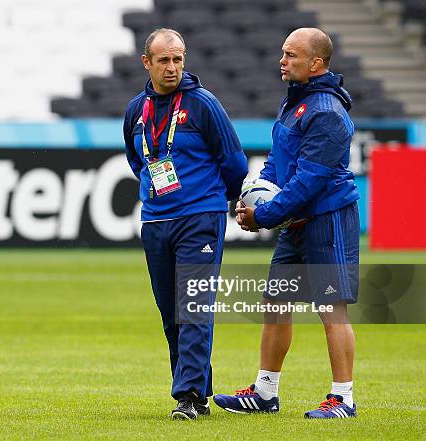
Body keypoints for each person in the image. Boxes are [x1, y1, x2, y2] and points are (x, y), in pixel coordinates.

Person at [213, 28, 360, 419]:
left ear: (316, 63)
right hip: (297, 221)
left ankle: (343, 398)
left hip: (326, 219)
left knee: (331, 307)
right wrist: (255, 197)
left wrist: (264, 215)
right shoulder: (294, 102)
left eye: (291, 55)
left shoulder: (326, 112)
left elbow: (309, 181)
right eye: (282, 53)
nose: (282, 60)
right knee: (275, 304)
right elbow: (279, 165)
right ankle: (265, 393)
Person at [123, 28, 248, 420]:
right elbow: (137, 161)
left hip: (200, 218)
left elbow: (235, 163)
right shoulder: (135, 112)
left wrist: (212, 200)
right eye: (164, 60)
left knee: (194, 306)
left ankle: (189, 395)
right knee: (171, 312)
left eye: (178, 59)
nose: (173, 67)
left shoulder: (203, 104)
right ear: (147, 63)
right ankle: (198, 389)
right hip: (157, 220)